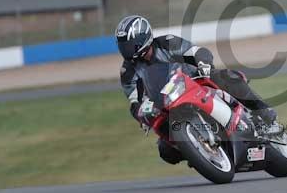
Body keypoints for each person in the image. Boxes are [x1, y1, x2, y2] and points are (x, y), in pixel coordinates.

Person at [115, 15, 278, 164]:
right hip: (166, 104)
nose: (126, 49)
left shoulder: (166, 42)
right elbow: (135, 100)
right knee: (165, 151)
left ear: (143, 37)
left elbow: (196, 51)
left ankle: (263, 111)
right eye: (123, 45)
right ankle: (200, 152)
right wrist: (141, 115)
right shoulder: (127, 72)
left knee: (226, 77)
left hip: (194, 81)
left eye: (129, 44)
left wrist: (203, 64)